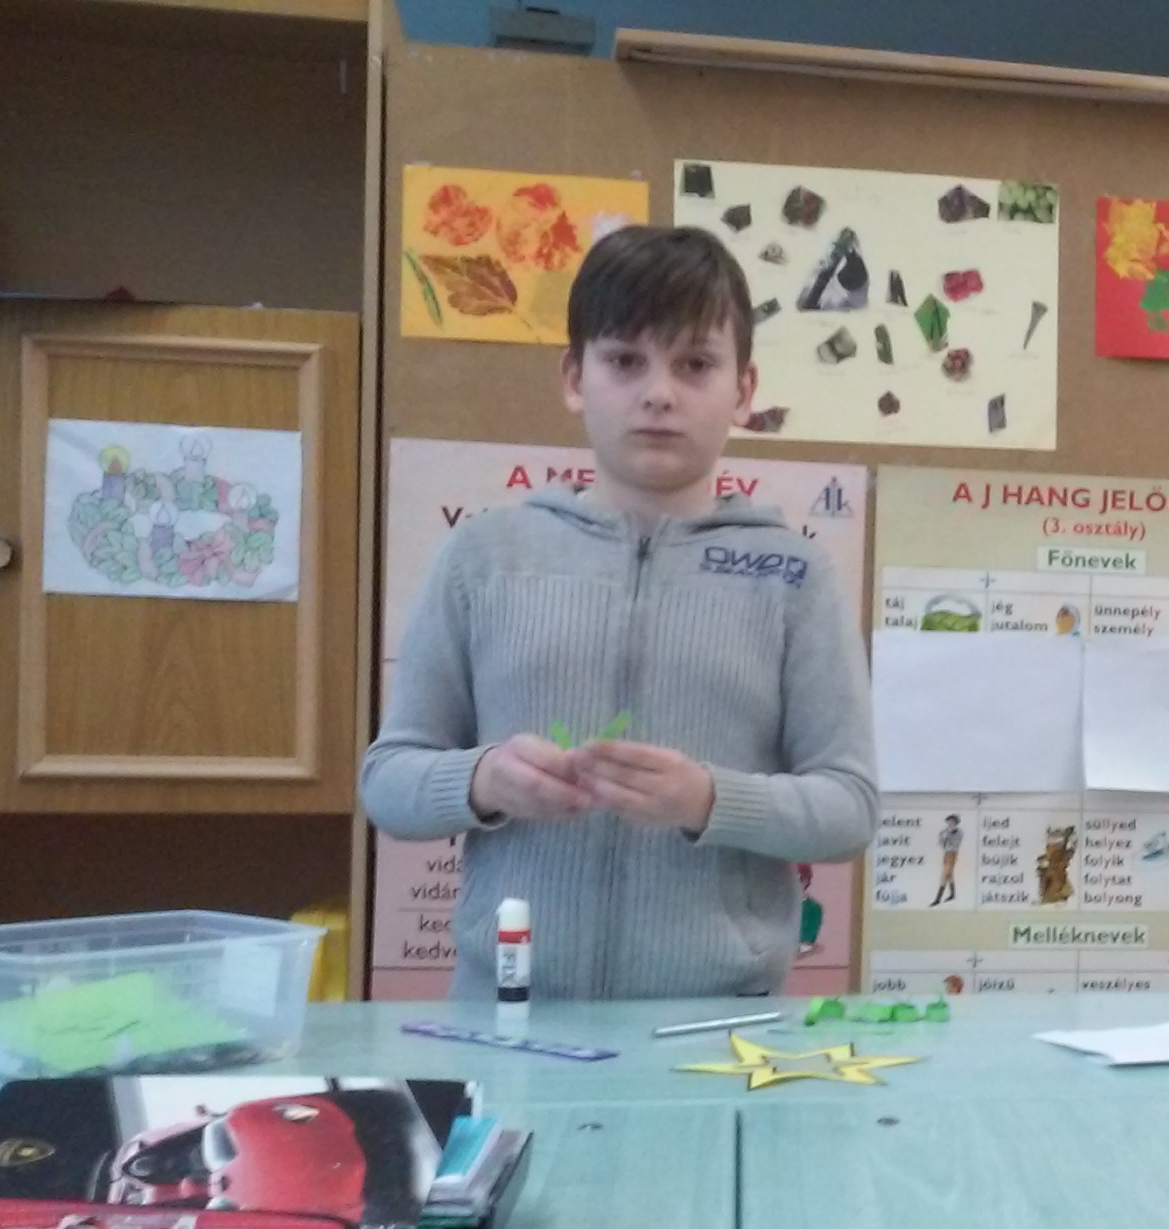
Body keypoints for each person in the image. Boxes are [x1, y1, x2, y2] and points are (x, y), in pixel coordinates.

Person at [360, 226, 877, 999]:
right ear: (576, 378)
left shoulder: (793, 576)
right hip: (511, 1020)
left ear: (743, 390)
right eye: (625, 361)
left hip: (718, 1030)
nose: (659, 393)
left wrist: (707, 799)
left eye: (695, 364)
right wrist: (486, 780)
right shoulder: (485, 558)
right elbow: (388, 782)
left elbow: (849, 807)